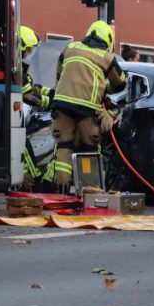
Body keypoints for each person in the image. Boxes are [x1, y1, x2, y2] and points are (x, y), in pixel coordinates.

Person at [42, 21, 126, 193]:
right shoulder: (106, 57)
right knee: (89, 151)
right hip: (87, 109)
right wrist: (103, 88)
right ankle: (90, 194)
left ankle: (60, 193)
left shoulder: (69, 48)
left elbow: (59, 76)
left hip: (62, 104)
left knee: (64, 147)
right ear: (108, 40)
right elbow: (121, 83)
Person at [18, 25, 52, 191]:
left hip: (14, 120)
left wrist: (52, 92)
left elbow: (33, 86)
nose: (30, 54)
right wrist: (51, 102)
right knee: (27, 157)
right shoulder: (16, 69)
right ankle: (30, 187)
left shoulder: (20, 68)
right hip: (13, 121)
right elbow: (29, 95)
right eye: (29, 50)